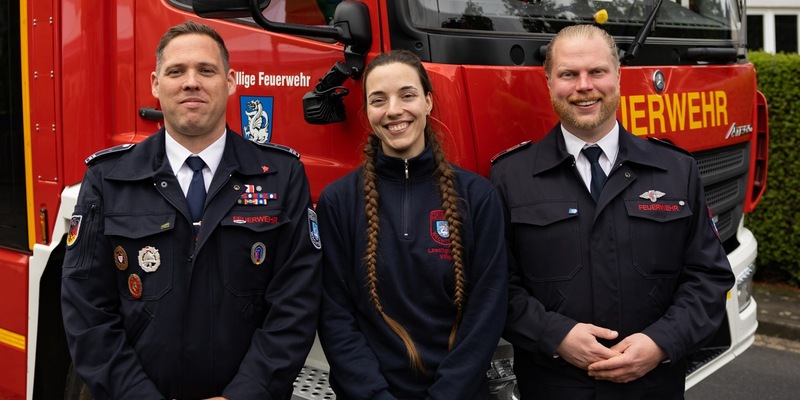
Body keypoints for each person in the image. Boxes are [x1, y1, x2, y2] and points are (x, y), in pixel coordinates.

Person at [61, 21, 322, 400]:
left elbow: (296, 303)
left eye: (206, 70)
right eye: (176, 71)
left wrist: (246, 394)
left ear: (230, 82)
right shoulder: (108, 178)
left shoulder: (282, 177)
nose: (191, 82)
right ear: (155, 84)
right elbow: (86, 308)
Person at [489, 24, 735, 399]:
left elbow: (709, 278)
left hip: (652, 388)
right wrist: (554, 335)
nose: (584, 86)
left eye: (597, 71)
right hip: (554, 388)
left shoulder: (676, 169)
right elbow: (495, 287)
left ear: (618, 76)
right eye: (568, 74)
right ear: (549, 82)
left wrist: (661, 342)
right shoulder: (510, 177)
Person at [316, 50, 508, 399]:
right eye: (378, 100)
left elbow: (487, 313)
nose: (393, 110)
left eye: (407, 95)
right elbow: (335, 314)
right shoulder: (338, 201)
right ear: (366, 111)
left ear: (428, 101)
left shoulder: (478, 197)